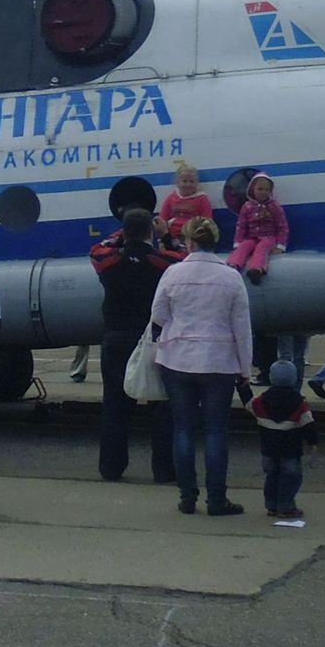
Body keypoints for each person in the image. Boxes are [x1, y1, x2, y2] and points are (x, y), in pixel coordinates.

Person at [149, 216, 251, 516]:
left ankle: (187, 497)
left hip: (178, 359)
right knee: (216, 431)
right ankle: (217, 500)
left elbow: (158, 315)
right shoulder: (231, 277)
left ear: (189, 242)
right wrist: (245, 372)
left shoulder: (172, 273)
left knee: (183, 429)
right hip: (218, 361)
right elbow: (242, 330)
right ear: (214, 240)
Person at [91, 207, 180, 483]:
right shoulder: (161, 261)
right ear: (149, 232)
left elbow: (97, 250)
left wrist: (121, 233)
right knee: (162, 404)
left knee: (115, 404)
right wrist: (165, 236)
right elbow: (182, 259)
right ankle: (164, 470)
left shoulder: (108, 262)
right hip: (154, 339)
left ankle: (111, 467)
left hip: (116, 337)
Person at [250, 358, 317, 522]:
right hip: (290, 450)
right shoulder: (300, 403)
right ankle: (286, 506)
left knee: (271, 476)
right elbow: (308, 424)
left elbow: (250, 405)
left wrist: (242, 385)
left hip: (268, 449)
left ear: (271, 378)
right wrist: (312, 442)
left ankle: (271, 504)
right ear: (294, 379)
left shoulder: (260, 402)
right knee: (291, 477)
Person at [228, 172, 289, 284]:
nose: (263, 192)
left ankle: (257, 269)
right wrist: (237, 243)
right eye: (260, 189)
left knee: (261, 249)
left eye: (266, 190)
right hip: (251, 237)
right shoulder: (247, 206)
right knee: (243, 247)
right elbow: (241, 226)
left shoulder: (274, 206)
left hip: (268, 238)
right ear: (253, 190)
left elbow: (282, 226)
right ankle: (233, 265)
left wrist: (281, 246)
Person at [158, 159, 214, 242]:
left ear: (197, 183)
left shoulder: (202, 199)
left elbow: (207, 221)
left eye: (192, 181)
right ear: (177, 182)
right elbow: (162, 219)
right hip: (171, 237)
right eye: (184, 181)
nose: (188, 184)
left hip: (192, 237)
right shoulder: (171, 198)